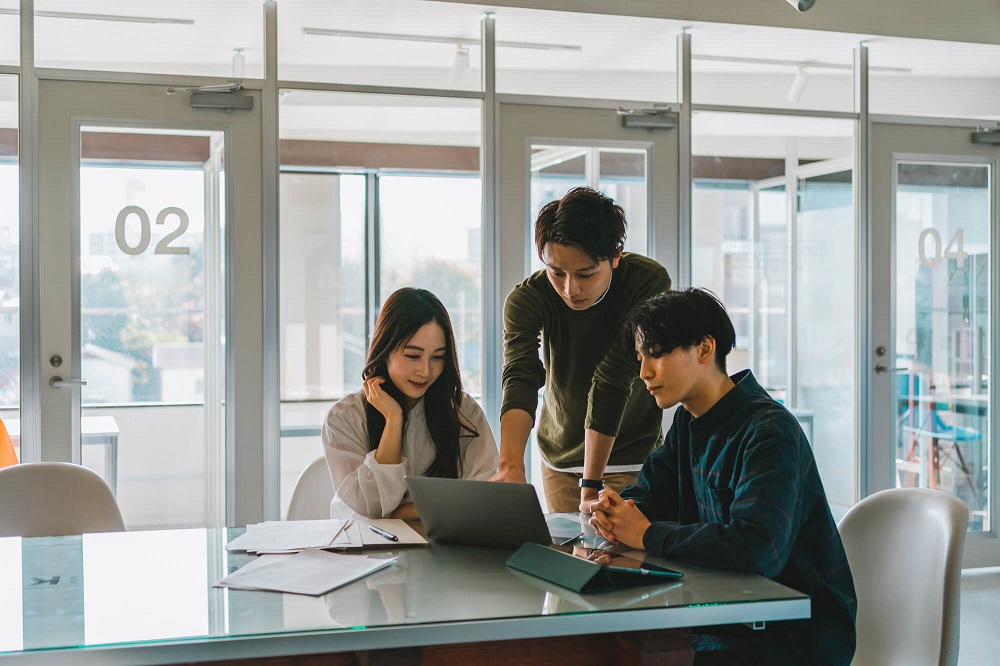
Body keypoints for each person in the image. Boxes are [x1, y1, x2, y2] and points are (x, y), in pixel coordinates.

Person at [588, 288, 857, 665]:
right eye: (640, 358)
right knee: (606, 644)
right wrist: (618, 512)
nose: (644, 372)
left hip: (793, 635)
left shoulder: (769, 430)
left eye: (657, 354)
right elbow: (650, 492)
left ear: (704, 348)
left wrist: (647, 533)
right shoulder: (688, 420)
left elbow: (758, 547)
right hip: (725, 619)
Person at [494, 186, 672, 513]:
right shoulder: (527, 299)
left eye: (586, 274)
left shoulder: (647, 281)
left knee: (621, 559)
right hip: (559, 460)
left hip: (629, 458)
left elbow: (614, 375)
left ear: (615, 256)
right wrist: (510, 465)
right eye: (556, 272)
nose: (569, 289)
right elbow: (520, 376)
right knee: (566, 559)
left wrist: (590, 486)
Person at [322, 288, 498, 520]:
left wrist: (400, 513)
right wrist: (393, 420)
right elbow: (371, 507)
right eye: (413, 356)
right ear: (385, 351)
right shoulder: (345, 417)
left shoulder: (463, 411)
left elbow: (482, 499)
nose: (425, 371)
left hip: (440, 546)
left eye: (437, 357)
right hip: (364, 549)